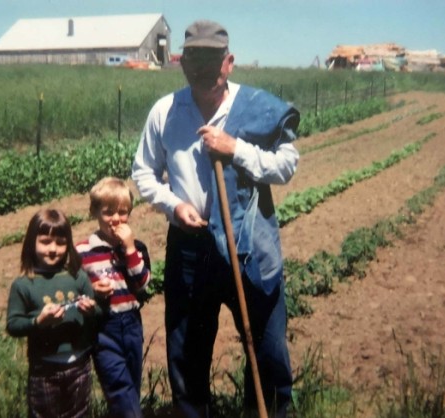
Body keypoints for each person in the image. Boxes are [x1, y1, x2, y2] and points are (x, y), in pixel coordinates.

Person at [132, 19, 300, 418]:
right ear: (182, 63)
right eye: (193, 59)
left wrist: (236, 149)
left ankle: (271, 411)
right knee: (188, 346)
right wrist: (173, 204)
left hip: (248, 240)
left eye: (211, 59)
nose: (202, 68)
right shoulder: (167, 111)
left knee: (267, 342)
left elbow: (286, 166)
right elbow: (143, 171)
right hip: (191, 247)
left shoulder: (258, 107)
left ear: (229, 63)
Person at [6, 208, 98, 418]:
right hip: (44, 368)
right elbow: (13, 324)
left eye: (60, 242)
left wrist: (91, 309)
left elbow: (98, 312)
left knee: (80, 414)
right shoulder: (24, 284)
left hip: (79, 364)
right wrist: (38, 322)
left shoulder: (77, 277)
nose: (53, 249)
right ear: (32, 243)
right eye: (45, 242)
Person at [76, 177, 152, 418]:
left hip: (131, 324)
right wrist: (92, 291)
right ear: (94, 212)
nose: (116, 219)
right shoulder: (83, 251)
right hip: (103, 327)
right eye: (108, 213)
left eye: (122, 212)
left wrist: (129, 249)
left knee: (130, 386)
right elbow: (76, 289)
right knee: (120, 391)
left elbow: (142, 284)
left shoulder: (136, 248)